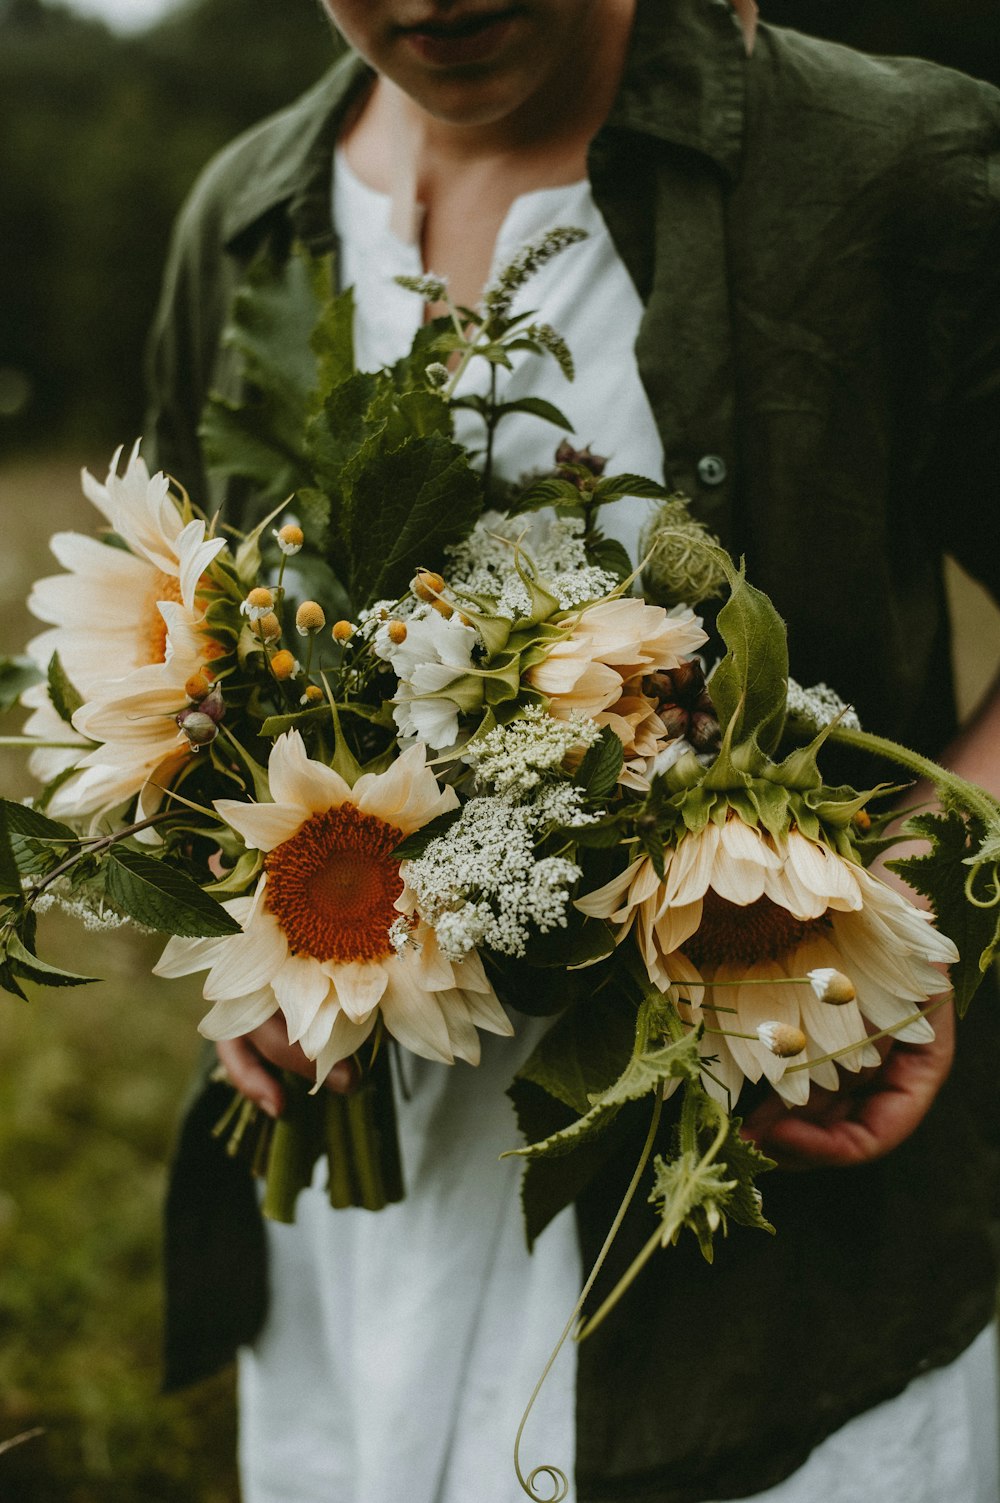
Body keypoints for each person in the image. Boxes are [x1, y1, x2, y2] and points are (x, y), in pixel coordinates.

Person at [145, 1, 1000, 1499]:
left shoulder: (883, 168)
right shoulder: (244, 219)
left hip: (763, 1206)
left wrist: (909, 903)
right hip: (368, 1217)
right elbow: (198, 676)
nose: (420, 4)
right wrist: (260, 931)